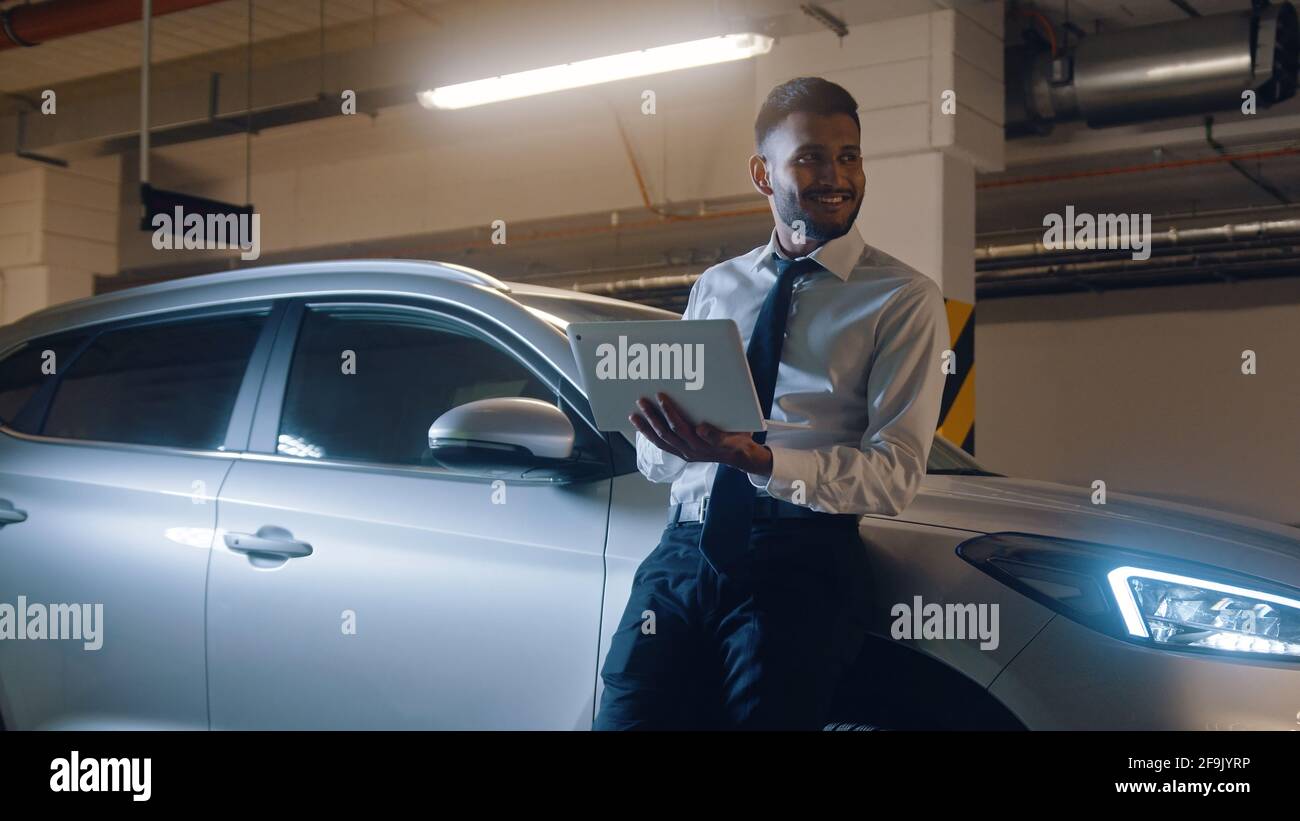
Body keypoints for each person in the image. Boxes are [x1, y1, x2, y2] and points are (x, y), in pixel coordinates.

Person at [593, 76, 949, 730]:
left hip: (799, 561)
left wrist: (761, 461)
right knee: (623, 719)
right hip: (680, 551)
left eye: (850, 156)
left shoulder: (903, 299)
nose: (837, 175)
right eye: (811, 156)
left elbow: (894, 475)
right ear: (763, 173)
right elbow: (660, 466)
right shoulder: (717, 285)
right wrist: (663, 440)